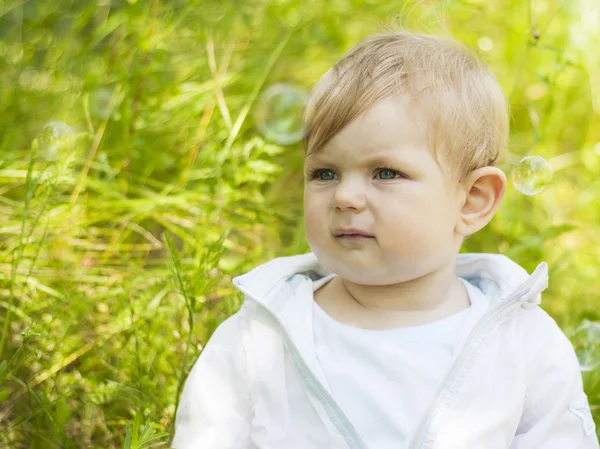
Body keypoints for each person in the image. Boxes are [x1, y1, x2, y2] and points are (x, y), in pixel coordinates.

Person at [171, 29, 600, 449]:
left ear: (472, 200)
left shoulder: (523, 344)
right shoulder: (259, 337)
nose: (344, 196)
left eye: (386, 173)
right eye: (324, 173)